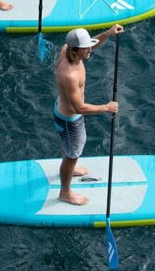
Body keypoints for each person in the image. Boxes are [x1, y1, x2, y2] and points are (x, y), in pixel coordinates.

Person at [53, 25, 124, 205]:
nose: (90, 49)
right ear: (76, 51)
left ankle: (71, 168)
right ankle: (65, 192)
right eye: (87, 48)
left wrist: (107, 34)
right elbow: (79, 108)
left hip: (68, 114)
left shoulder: (68, 49)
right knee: (72, 155)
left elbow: (90, 43)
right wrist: (106, 108)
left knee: (71, 150)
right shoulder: (69, 75)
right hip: (70, 119)